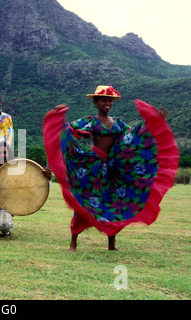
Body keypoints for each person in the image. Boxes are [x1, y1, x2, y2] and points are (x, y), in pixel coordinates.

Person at [42, 85, 179, 252]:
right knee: (84, 203)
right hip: (92, 168)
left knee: (113, 203)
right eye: (103, 100)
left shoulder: (118, 123)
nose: (107, 103)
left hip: (113, 169)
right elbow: (67, 132)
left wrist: (155, 123)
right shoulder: (90, 121)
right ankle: (73, 243)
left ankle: (111, 244)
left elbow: (135, 137)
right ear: (96, 103)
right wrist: (57, 118)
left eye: (109, 100)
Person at [0, 140, 52, 238]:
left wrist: (46, 178)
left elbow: (30, 184)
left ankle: (2, 224)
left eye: (5, 152)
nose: (3, 155)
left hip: (5, 208)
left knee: (5, 226)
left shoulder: (15, 171)